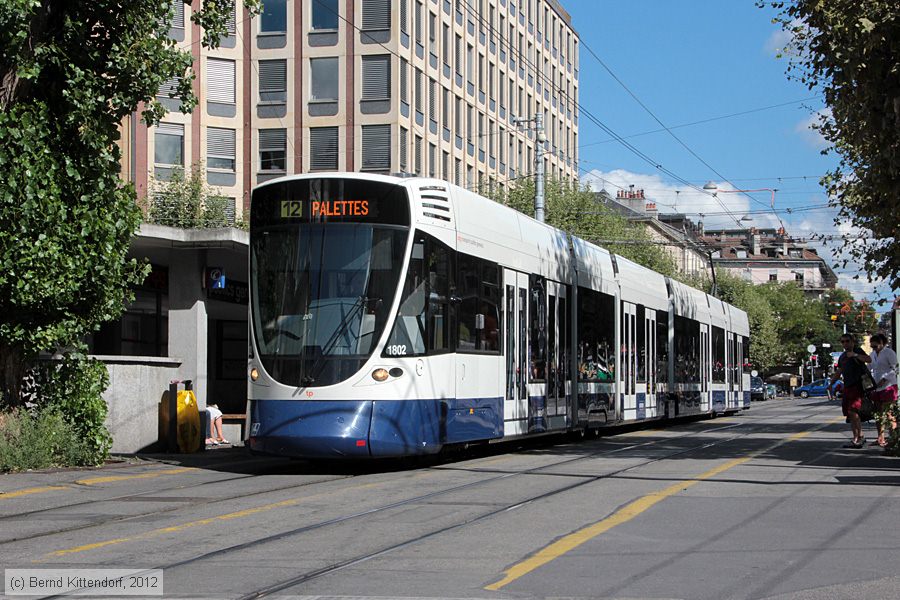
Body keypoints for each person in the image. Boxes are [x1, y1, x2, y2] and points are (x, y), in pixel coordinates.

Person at [830, 333, 872, 448]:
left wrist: (855, 355)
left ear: (852, 341)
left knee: (853, 411)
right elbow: (839, 371)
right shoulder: (843, 356)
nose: (845, 344)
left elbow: (869, 359)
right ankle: (859, 436)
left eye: (847, 341)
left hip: (857, 386)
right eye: (842, 341)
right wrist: (831, 384)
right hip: (847, 387)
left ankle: (857, 438)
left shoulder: (857, 350)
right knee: (850, 413)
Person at [869, 333, 897, 447]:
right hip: (876, 386)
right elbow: (869, 367)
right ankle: (880, 437)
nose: (874, 349)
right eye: (872, 347)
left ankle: (893, 438)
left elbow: (896, 367)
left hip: (888, 386)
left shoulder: (889, 352)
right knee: (878, 414)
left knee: (888, 413)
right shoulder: (873, 354)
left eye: (876, 346)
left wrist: (885, 379)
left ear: (882, 344)